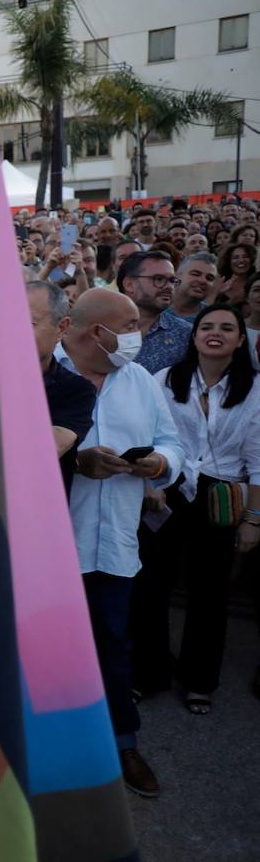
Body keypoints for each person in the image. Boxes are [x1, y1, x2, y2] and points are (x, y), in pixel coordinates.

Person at [56, 288, 182, 798]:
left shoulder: (139, 382)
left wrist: (159, 465)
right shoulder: (46, 374)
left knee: (112, 642)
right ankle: (52, 750)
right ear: (94, 331)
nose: (139, 333)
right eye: (129, 324)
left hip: (115, 544)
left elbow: (173, 444)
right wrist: (76, 461)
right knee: (49, 647)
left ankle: (122, 743)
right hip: (54, 543)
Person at [131, 303, 260, 716]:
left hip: (222, 496)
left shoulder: (256, 389)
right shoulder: (165, 379)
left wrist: (254, 520)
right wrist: (150, 485)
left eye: (227, 327)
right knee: (151, 585)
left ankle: (199, 681)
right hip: (168, 489)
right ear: (194, 335)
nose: (215, 333)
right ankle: (146, 673)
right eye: (206, 326)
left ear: (242, 340)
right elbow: (146, 436)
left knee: (210, 592)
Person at [26, 281, 96, 495]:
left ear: (61, 328)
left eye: (28, 322)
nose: (12, 330)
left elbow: (40, 452)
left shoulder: (75, 390)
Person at [117, 250, 191, 375]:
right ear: (129, 285)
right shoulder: (101, 329)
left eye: (172, 280)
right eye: (159, 279)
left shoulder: (185, 334)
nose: (168, 286)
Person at [168, 252, 218, 324]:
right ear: (178, 275)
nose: (203, 280)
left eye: (209, 278)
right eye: (196, 274)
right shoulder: (155, 306)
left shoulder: (212, 317)